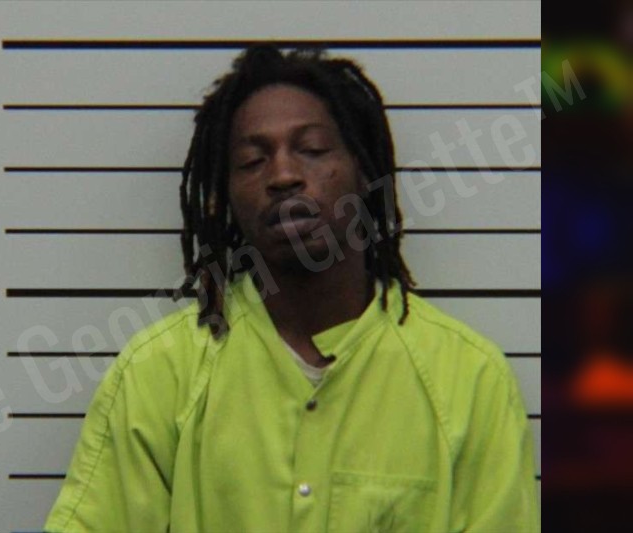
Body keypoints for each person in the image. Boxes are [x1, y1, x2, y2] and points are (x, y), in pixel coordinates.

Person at [44, 45, 540, 532]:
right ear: (223, 196)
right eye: (252, 160)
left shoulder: (469, 380)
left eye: (312, 149)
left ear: (364, 171)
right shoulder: (161, 372)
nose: (283, 175)